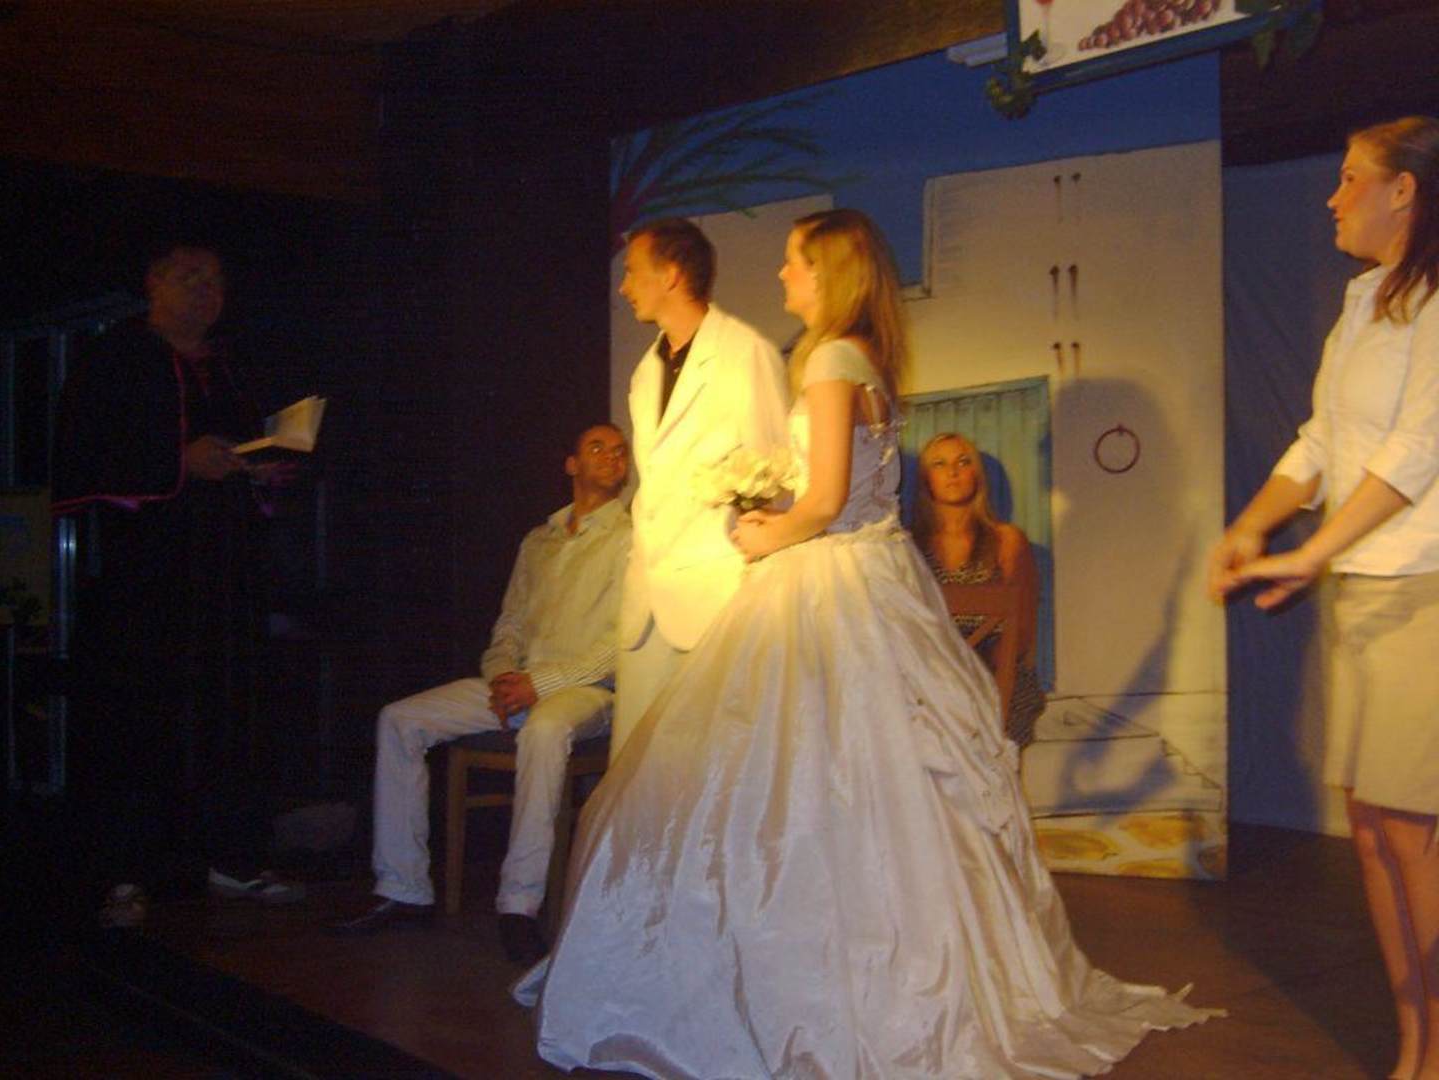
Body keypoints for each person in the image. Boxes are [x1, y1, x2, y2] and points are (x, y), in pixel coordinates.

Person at [517, 209, 1215, 1077]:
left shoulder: (828, 360)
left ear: (828, 272)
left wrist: (766, 531)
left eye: (792, 261)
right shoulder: (867, 360)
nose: (781, 275)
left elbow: (825, 500)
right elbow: (853, 490)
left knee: (790, 783)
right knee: (865, 786)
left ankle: (784, 981)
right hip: (875, 578)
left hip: (828, 581)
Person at [1210, 116, 1439, 1080]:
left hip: (1422, 590)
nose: (1333, 197)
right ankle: (1415, 1042)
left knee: (1413, 833)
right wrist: (1254, 524)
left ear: (1405, 191)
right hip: (1363, 591)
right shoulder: (1362, 301)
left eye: (1351, 179)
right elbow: (1318, 442)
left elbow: (1418, 450)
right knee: (1375, 832)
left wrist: (1313, 551)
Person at [53, 244, 294, 928]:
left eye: (215, 280)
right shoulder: (114, 359)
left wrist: (264, 467)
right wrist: (179, 462)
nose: (205, 290)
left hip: (226, 570)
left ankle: (233, 859)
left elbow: (255, 446)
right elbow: (84, 453)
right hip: (147, 573)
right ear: (153, 284)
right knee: (136, 719)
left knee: (230, 712)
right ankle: (123, 874)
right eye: (190, 277)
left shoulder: (233, 365)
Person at [331, 424, 631, 967]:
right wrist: (502, 678)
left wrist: (540, 684)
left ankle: (518, 907)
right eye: (597, 448)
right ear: (571, 464)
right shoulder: (538, 540)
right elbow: (508, 626)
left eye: (620, 451)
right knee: (400, 719)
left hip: (586, 691)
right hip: (518, 684)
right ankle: (404, 889)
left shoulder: (632, 539)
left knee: (544, 729)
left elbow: (621, 644)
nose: (612, 457)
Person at [612, 217, 789, 759]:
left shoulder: (745, 353)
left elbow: (776, 473)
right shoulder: (646, 370)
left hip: (717, 594)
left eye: (632, 272)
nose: (623, 287)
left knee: (711, 766)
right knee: (638, 767)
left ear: (670, 274)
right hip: (647, 597)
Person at [915, 431, 1045, 748]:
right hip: (929, 674)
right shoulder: (909, 545)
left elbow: (1021, 631)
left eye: (963, 462)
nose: (953, 471)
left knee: (1008, 699)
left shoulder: (1006, 541)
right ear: (926, 479)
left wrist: (978, 682)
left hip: (994, 672)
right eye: (939, 464)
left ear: (977, 475)